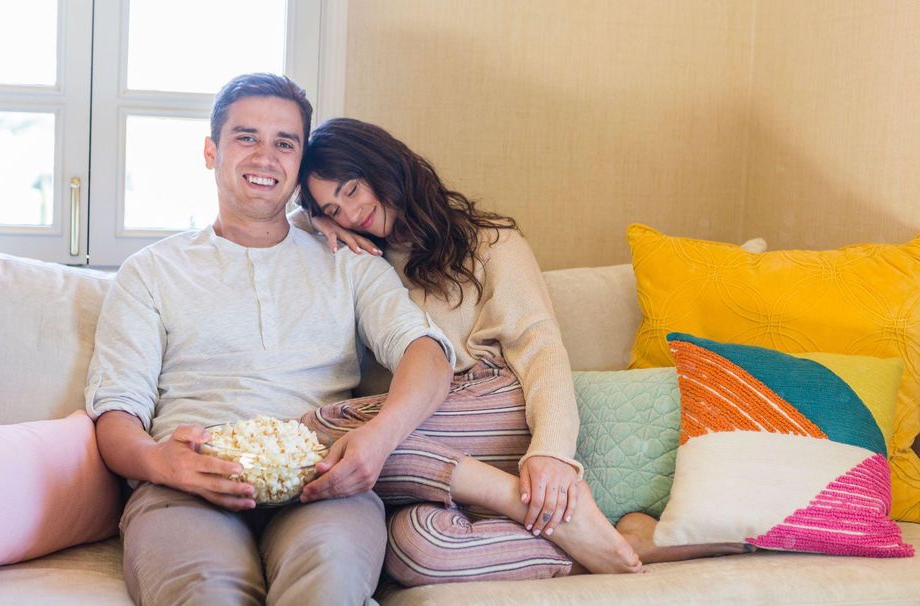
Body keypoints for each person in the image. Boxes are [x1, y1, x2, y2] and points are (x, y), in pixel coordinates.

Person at [294, 118, 750, 586]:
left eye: (352, 191)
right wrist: (310, 221)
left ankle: (537, 501)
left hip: (494, 410)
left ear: (384, 166)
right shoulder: (354, 257)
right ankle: (618, 542)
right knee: (416, 549)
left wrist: (552, 452)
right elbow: (270, 227)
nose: (351, 214)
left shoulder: (489, 241)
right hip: (427, 446)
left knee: (315, 433)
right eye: (333, 209)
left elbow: (541, 348)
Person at [84, 74, 458, 606]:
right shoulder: (150, 271)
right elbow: (116, 413)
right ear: (211, 152)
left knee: (328, 583)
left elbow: (427, 354)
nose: (265, 157)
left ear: (300, 165)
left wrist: (379, 437)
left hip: (322, 484)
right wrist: (161, 462)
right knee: (206, 595)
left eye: (284, 143)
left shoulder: (350, 262)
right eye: (246, 137)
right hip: (188, 488)